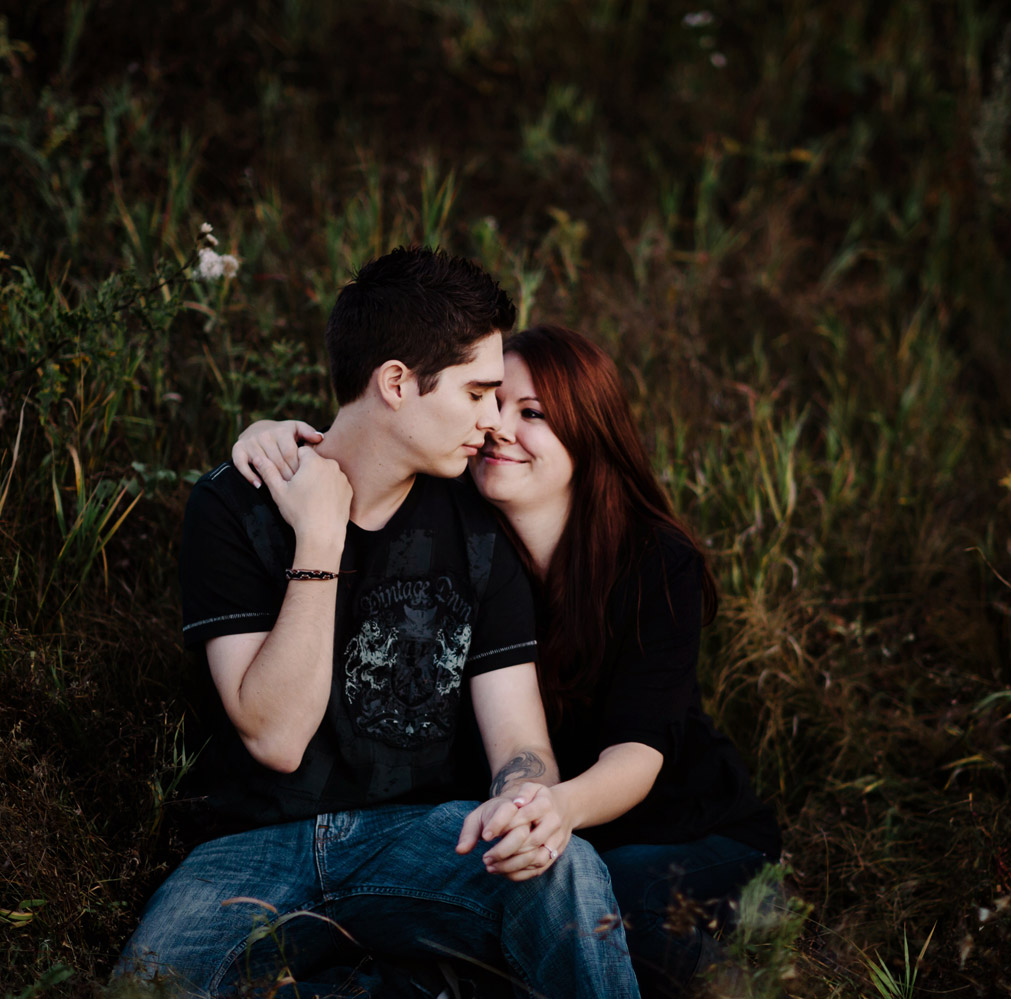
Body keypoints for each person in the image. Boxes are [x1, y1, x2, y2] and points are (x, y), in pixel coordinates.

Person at [115, 251, 639, 999]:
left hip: (423, 841)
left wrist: (528, 800)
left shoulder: (481, 527)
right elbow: (276, 735)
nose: (492, 421)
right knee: (149, 988)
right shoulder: (235, 506)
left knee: (568, 869)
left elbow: (521, 743)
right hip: (245, 854)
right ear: (397, 383)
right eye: (477, 393)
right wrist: (321, 541)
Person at [235, 323, 781, 997]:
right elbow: (373, 444)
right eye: (491, 402)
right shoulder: (459, 527)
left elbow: (639, 752)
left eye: (534, 414)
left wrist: (555, 807)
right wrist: (276, 434)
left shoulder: (652, 562)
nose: (498, 427)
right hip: (533, 835)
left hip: (680, 828)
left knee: (611, 923)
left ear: (590, 434)